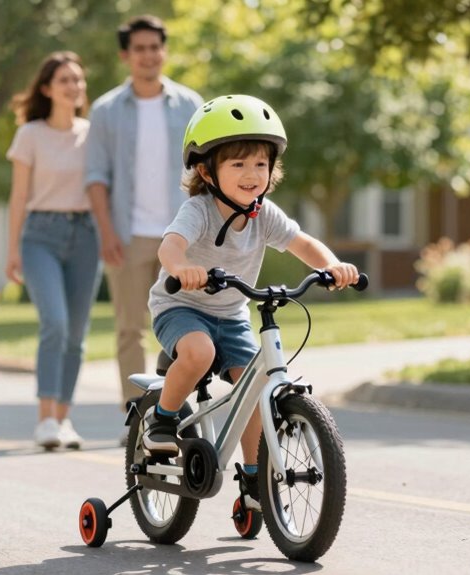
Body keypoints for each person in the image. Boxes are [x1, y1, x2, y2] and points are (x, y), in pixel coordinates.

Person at [144, 95, 360, 509]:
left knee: (256, 385)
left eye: (260, 164)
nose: (251, 174)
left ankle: (254, 476)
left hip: (231, 313)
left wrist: (332, 266)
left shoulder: (265, 215)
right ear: (207, 170)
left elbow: (302, 243)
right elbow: (169, 248)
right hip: (181, 308)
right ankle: (163, 419)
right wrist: (182, 268)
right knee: (200, 352)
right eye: (238, 164)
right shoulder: (199, 211)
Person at [85, 15, 204, 430]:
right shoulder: (105, 111)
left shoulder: (191, 105)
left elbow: (204, 172)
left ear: (164, 51)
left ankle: (173, 414)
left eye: (155, 47)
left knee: (184, 325)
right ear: (126, 55)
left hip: (182, 235)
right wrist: (106, 231)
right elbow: (96, 177)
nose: (149, 55)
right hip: (128, 234)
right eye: (140, 49)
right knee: (129, 330)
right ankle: (136, 420)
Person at [6, 51, 101, 450]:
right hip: (40, 235)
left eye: (77, 80)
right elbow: (19, 195)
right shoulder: (30, 134)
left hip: (85, 235)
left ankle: (63, 420)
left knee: (77, 335)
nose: (73, 86)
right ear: (47, 88)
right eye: (64, 80)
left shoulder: (93, 134)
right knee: (56, 324)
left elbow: (103, 191)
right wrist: (12, 250)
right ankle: (44, 418)